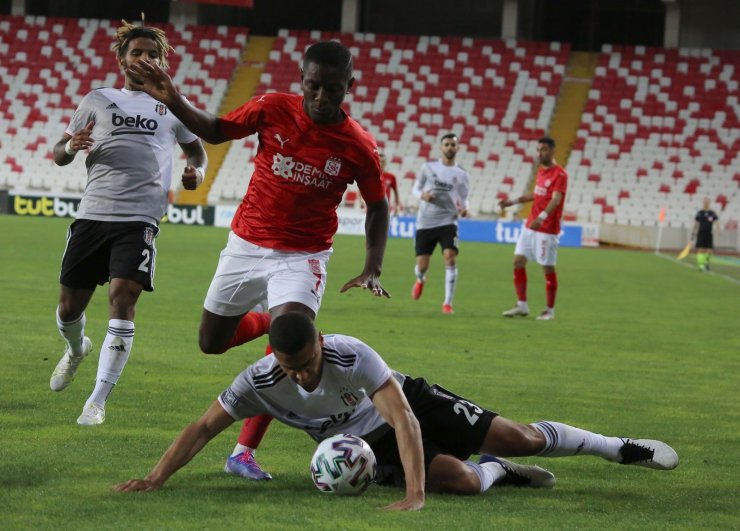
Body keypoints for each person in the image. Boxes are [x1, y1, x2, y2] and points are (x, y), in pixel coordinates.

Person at [126, 41, 390, 479]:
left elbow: (378, 206)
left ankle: (246, 446)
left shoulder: (358, 145)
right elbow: (215, 130)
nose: (322, 97)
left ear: (350, 86)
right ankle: (272, 319)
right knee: (211, 342)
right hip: (246, 245)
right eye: (314, 86)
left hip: (302, 256)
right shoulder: (271, 108)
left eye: (333, 89)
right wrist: (175, 99)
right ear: (301, 80)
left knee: (293, 344)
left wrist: (372, 266)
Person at [113, 312, 679, 511]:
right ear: (276, 361)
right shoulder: (257, 382)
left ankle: (617, 447)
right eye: (295, 368)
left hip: (409, 403)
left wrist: (414, 494)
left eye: (310, 361)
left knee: (521, 437)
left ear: (319, 343)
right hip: (367, 447)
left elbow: (404, 417)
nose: (306, 374)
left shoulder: (350, 353)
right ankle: (498, 474)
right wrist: (156, 477)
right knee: (462, 478)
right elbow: (202, 428)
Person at [49, 21, 207, 426]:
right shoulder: (97, 99)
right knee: (69, 309)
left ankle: (97, 400)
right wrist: (71, 145)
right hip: (92, 215)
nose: (144, 60)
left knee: (124, 297)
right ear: (122, 59)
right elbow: (58, 154)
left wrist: (196, 174)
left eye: (152, 54)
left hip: (139, 219)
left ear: (162, 61)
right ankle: (75, 348)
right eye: (136, 53)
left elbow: (197, 152)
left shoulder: (173, 104)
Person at [499, 137, 567, 321]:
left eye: (543, 149)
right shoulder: (541, 172)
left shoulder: (560, 174)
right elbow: (536, 195)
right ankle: (521, 305)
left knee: (547, 267)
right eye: (538, 149)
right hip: (530, 226)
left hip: (547, 229)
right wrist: (512, 201)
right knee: (518, 261)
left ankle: (549, 310)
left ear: (553, 150)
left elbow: (556, 199)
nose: (540, 153)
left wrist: (542, 217)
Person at [410, 133, 470, 314]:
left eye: (453, 145)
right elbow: (415, 188)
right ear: (441, 147)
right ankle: (420, 279)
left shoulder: (462, 174)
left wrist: (465, 209)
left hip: (448, 220)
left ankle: (447, 303)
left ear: (458, 148)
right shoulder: (428, 167)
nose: (450, 147)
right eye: (447, 144)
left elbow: (465, 198)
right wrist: (423, 195)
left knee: (450, 257)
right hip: (426, 222)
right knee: (422, 265)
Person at [691, 197, 719, 272]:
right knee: (701, 249)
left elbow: (716, 221)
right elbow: (696, 223)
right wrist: (693, 232)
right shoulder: (700, 213)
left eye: (707, 202)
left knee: (710, 250)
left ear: (709, 203)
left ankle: (706, 263)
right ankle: (701, 265)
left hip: (709, 233)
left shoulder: (712, 213)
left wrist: (718, 229)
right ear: (703, 203)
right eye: (704, 202)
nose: (705, 203)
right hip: (701, 233)